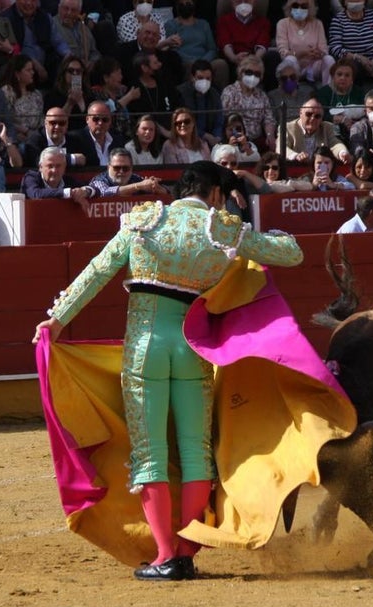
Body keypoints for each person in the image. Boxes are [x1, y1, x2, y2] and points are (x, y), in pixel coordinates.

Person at [31, 160, 305, 581]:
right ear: (214, 193)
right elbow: (291, 253)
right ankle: (185, 552)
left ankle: (164, 557)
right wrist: (250, 228)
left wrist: (57, 320)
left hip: (145, 349)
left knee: (150, 453)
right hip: (192, 350)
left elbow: (98, 271)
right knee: (195, 452)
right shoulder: (222, 229)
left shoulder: (144, 220)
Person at [1, 0, 70, 85]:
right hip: (19, 70)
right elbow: (12, 50)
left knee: (74, 70)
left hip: (47, 68)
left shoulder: (45, 17)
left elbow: (59, 42)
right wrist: (34, 64)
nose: (29, 3)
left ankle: (78, 95)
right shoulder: (5, 19)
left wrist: (68, 56)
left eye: (33, 0)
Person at [327, 0, 373, 88]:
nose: (355, 2)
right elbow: (335, 48)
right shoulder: (338, 20)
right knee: (354, 67)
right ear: (344, 2)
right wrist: (358, 58)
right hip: (353, 60)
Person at [220, 55, 274, 149]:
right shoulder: (230, 92)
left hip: (257, 140)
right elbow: (226, 119)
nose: (253, 76)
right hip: (236, 139)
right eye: (249, 72)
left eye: (257, 74)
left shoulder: (262, 95)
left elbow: (268, 119)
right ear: (241, 73)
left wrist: (270, 136)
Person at [165, 0, 224, 86]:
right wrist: (193, 61)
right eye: (182, 4)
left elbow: (212, 49)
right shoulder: (170, 25)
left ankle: (220, 97)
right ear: (177, 6)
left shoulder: (204, 24)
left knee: (221, 64)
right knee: (190, 66)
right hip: (185, 62)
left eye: (188, 3)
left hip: (205, 60)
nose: (185, 6)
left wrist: (203, 61)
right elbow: (173, 50)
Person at [276, 0, 332, 87]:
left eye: (304, 6)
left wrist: (318, 53)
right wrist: (301, 53)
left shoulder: (317, 23)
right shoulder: (282, 24)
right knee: (290, 59)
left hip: (313, 66)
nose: (299, 9)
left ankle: (328, 91)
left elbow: (324, 50)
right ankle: (291, 90)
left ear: (310, 8)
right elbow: (283, 53)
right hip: (294, 66)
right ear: (289, 7)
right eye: (295, 5)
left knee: (328, 59)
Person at [20, 145, 99, 205]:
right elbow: (36, 194)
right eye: (50, 166)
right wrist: (69, 193)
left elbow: (96, 189)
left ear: (64, 167)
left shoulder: (67, 180)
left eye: (58, 166)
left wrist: (85, 191)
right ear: (40, 167)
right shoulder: (31, 177)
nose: (54, 170)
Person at [216, 0, 271, 83]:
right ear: (232, 3)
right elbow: (226, 44)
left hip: (254, 58)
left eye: (247, 1)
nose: (243, 4)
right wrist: (234, 58)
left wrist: (253, 60)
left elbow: (262, 45)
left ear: (254, 2)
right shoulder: (223, 20)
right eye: (238, 1)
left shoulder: (263, 22)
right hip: (232, 59)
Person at [281, 98, 349, 164]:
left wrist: (342, 153)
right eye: (309, 114)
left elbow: (335, 143)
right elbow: (281, 148)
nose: (312, 118)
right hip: (295, 170)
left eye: (317, 116)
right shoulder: (288, 127)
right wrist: (296, 156)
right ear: (300, 112)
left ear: (322, 118)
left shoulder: (327, 127)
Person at [21, 106, 92, 167]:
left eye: (62, 123)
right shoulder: (35, 139)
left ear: (67, 125)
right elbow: (38, 161)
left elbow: (84, 160)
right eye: (53, 123)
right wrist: (71, 158)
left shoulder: (74, 140)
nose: (57, 127)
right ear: (45, 123)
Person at [178, 59, 224, 148]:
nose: (204, 81)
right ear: (192, 77)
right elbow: (182, 122)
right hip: (187, 139)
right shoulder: (181, 93)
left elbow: (219, 120)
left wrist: (217, 137)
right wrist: (204, 135)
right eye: (200, 78)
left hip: (212, 141)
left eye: (208, 78)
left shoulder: (214, 94)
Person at [87, 146, 167, 196]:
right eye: (117, 168)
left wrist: (155, 187)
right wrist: (138, 186)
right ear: (108, 167)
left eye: (125, 168)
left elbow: (166, 193)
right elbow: (105, 193)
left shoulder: (135, 179)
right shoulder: (99, 180)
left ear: (131, 168)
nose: (121, 171)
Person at [0, 54, 44, 145]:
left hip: (36, 136)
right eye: (28, 70)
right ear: (17, 74)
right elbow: (5, 118)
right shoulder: (7, 92)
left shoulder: (36, 94)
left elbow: (41, 118)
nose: (32, 72)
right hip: (16, 136)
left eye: (32, 69)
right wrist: (24, 131)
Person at [317, 60, 366, 137]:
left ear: (352, 79)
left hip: (356, 131)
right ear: (333, 77)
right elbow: (320, 114)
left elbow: (366, 112)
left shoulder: (359, 93)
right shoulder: (323, 93)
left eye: (347, 75)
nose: (343, 78)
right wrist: (341, 119)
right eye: (339, 74)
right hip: (329, 133)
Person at [53, 0, 102, 67]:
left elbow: (94, 52)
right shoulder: (53, 26)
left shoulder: (83, 28)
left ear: (79, 12)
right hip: (65, 69)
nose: (69, 13)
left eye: (73, 10)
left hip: (87, 71)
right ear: (59, 8)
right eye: (66, 8)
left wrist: (92, 63)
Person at [267, 58, 316, 125]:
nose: (289, 81)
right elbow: (272, 121)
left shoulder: (306, 95)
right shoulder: (272, 96)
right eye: (284, 78)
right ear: (279, 80)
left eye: (292, 77)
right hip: (284, 131)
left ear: (297, 78)